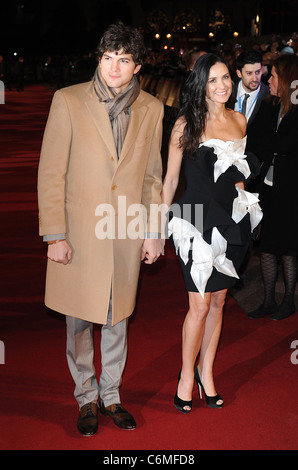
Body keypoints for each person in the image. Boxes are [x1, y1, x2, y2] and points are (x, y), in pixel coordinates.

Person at [37, 21, 164, 436]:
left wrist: (152, 231)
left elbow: (151, 178)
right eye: (108, 57)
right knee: (78, 323)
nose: (114, 66)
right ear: (99, 59)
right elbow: (51, 172)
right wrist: (55, 234)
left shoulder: (151, 109)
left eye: (123, 59)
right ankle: (86, 397)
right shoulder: (68, 100)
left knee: (117, 318)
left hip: (124, 232)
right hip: (79, 233)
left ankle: (111, 395)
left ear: (137, 67)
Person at [162, 53, 261, 413]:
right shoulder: (185, 125)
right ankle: (186, 375)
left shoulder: (240, 121)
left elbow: (236, 175)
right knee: (200, 304)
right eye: (213, 80)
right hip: (195, 220)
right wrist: (158, 227)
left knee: (219, 302)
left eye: (225, 79)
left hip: (233, 222)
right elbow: (172, 179)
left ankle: (207, 371)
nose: (222, 86)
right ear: (200, 85)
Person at [246, 54, 298, 321]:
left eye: (274, 75)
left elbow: (287, 145)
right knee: (265, 244)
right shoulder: (269, 104)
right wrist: (274, 143)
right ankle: (267, 300)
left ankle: (288, 301)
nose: (268, 79)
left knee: (288, 247)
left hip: (290, 189)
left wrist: (273, 143)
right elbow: (253, 137)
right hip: (266, 184)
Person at [234, 50, 269, 128]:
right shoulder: (227, 92)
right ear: (239, 73)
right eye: (249, 73)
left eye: (257, 72)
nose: (254, 78)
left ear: (262, 69)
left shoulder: (269, 96)